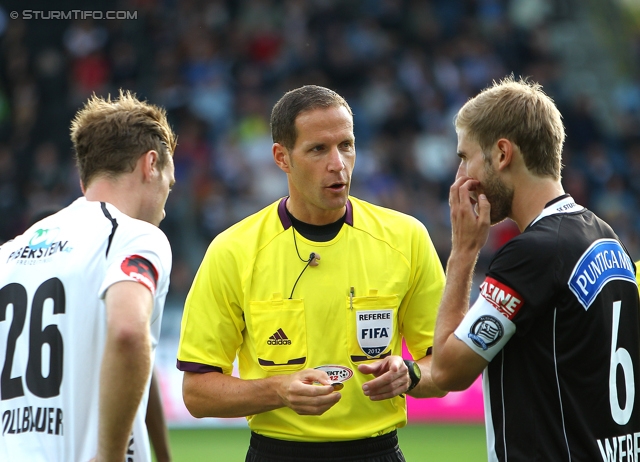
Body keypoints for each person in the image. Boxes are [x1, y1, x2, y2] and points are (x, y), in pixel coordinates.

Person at [176, 84, 446, 461]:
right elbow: (197, 393)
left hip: (378, 451)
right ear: (282, 157)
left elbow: (444, 367)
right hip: (277, 452)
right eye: (318, 149)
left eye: (347, 145)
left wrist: (411, 375)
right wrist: (277, 390)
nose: (338, 163)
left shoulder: (407, 238)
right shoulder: (232, 250)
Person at [431, 76, 640, 460]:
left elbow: (447, 371)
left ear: (502, 154)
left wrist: (463, 251)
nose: (460, 177)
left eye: (465, 157)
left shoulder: (534, 253)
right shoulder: (605, 237)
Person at [0, 90, 177, 462]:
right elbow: (129, 334)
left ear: (85, 181)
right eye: (169, 184)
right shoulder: (135, 236)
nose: (165, 200)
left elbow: (139, 350)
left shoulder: (10, 253)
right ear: (150, 165)